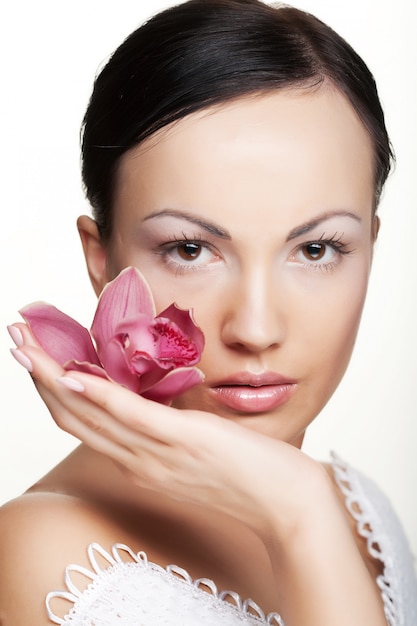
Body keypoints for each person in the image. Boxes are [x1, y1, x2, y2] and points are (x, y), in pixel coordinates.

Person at [1, 0, 416, 624]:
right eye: (191, 249)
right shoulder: (38, 557)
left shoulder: (360, 513)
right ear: (101, 259)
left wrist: (301, 511)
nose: (255, 329)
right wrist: (301, 514)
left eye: (316, 249)